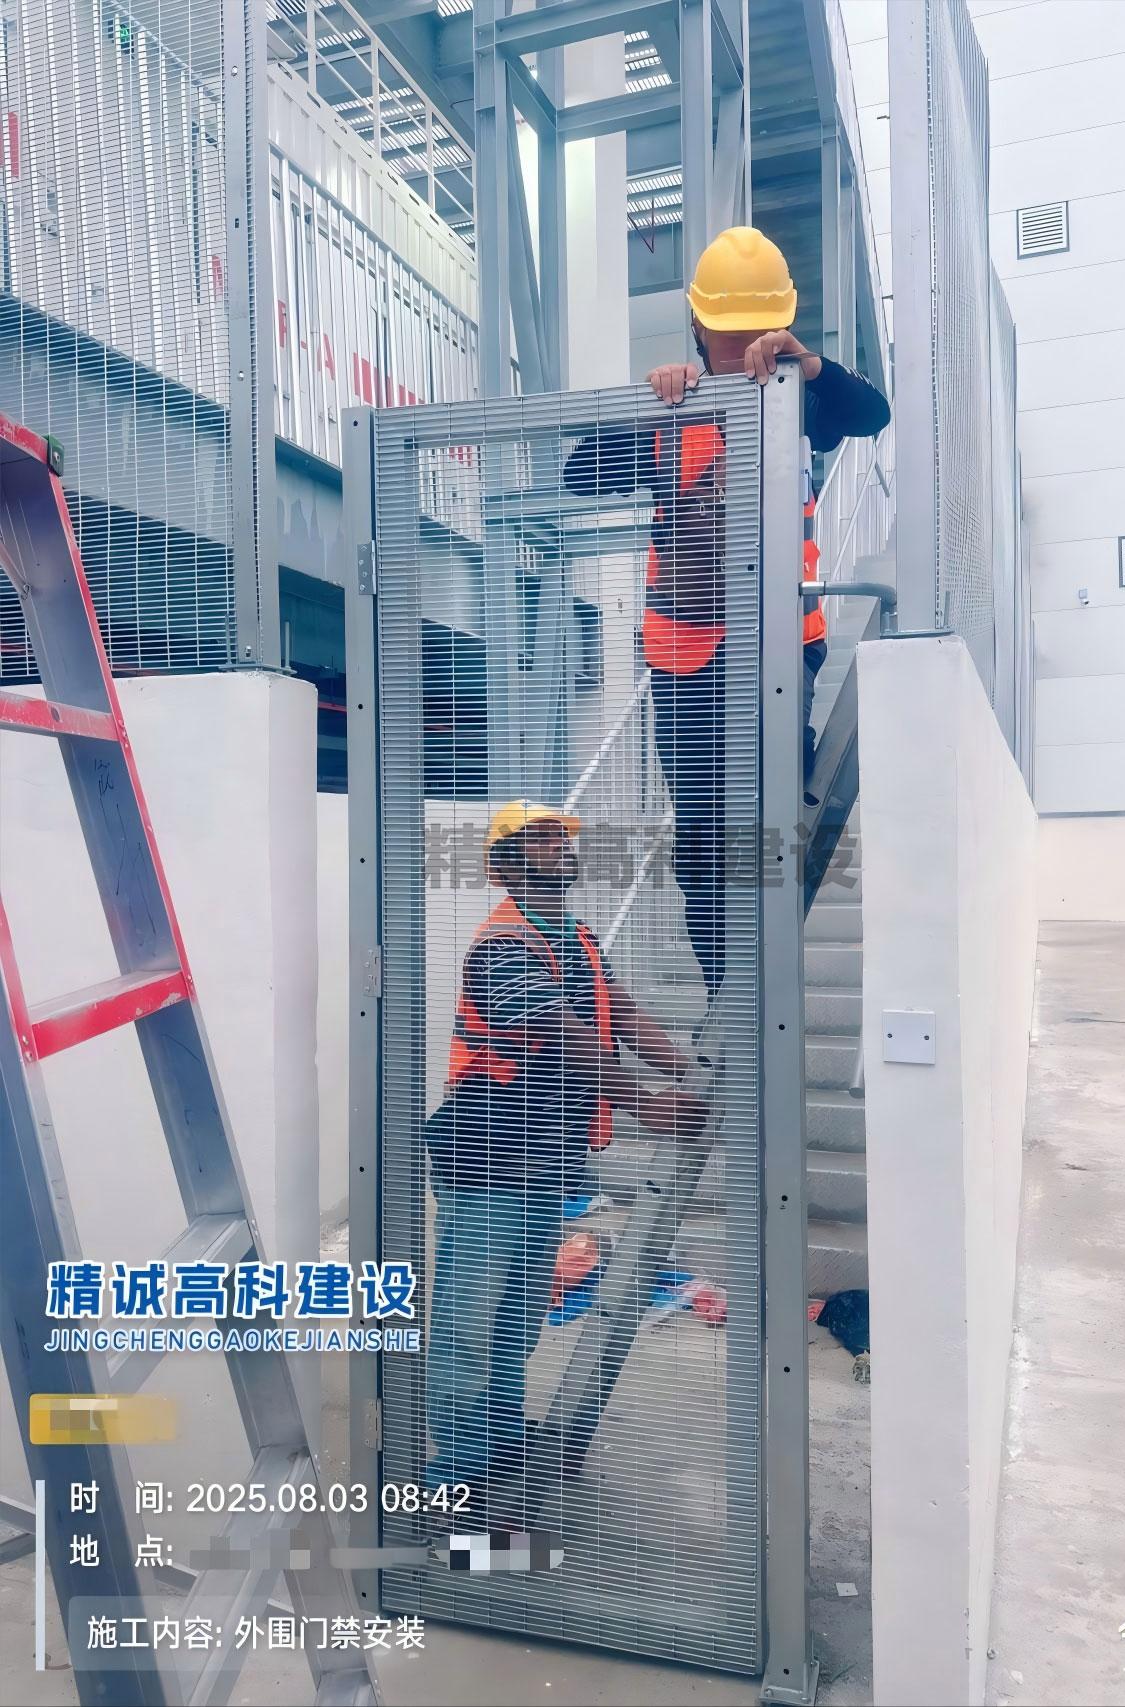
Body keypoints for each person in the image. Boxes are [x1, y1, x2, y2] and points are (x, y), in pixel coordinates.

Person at [564, 227, 890, 998]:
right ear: (699, 329)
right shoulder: (669, 415)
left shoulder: (800, 402)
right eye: (729, 335)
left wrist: (808, 364)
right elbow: (581, 472)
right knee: (701, 841)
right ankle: (727, 992)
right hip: (683, 656)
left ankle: (759, 978)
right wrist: (652, 402)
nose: (744, 349)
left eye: (759, 333)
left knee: (768, 819)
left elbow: (871, 413)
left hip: (778, 646)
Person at [422, 800, 706, 1510]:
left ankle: (496, 1439)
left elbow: (621, 1012)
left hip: (545, 1159)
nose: (557, 846)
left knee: (517, 1316)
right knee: (469, 1322)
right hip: (487, 1158)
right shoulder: (503, 945)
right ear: (503, 866)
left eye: (560, 837)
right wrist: (647, 1103)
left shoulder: (575, 937)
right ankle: (454, 1474)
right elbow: (565, 1032)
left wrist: (689, 1070)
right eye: (538, 839)